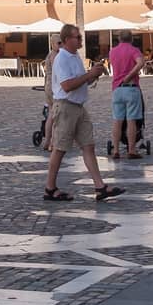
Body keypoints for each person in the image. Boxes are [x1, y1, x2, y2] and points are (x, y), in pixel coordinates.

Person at [42, 23, 125, 203]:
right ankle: (50, 188)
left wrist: (93, 74)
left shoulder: (76, 57)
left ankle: (100, 187)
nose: (81, 40)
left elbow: (81, 82)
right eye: (77, 37)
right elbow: (67, 85)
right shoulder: (62, 58)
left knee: (88, 145)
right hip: (65, 107)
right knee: (60, 148)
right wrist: (89, 75)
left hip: (79, 107)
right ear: (66, 40)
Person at [108, 30, 145, 159]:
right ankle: (131, 150)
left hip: (117, 88)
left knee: (117, 121)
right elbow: (140, 63)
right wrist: (130, 75)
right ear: (132, 39)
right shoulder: (134, 50)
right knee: (131, 121)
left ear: (119, 39)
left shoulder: (113, 51)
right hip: (131, 88)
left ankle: (116, 150)